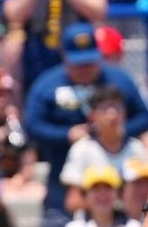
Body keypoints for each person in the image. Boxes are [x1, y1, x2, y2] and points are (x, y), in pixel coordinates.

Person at [24, 24, 148, 227]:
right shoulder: (48, 84)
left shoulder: (118, 80)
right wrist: (65, 134)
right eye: (78, 63)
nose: (84, 69)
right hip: (64, 171)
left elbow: (143, 115)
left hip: (118, 168)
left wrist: (116, 131)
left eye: (90, 62)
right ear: (64, 57)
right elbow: (32, 124)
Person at [58, 86, 148, 216]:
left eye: (117, 108)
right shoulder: (82, 149)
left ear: (125, 113)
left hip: (131, 226)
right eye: (104, 108)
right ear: (92, 115)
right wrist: (109, 201)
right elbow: (73, 201)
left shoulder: (136, 148)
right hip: (93, 226)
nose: (112, 115)